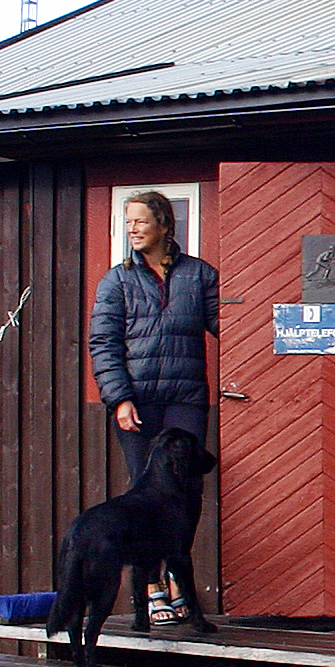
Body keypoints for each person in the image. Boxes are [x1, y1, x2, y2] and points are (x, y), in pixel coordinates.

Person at [88, 190, 220, 625]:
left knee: (188, 492)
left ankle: (179, 577)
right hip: (138, 401)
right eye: (129, 223)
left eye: (141, 221)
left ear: (165, 224)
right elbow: (103, 343)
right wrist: (119, 398)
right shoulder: (116, 281)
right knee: (146, 493)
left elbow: (232, 327)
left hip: (185, 400)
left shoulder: (199, 275)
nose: (133, 229)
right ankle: (150, 586)